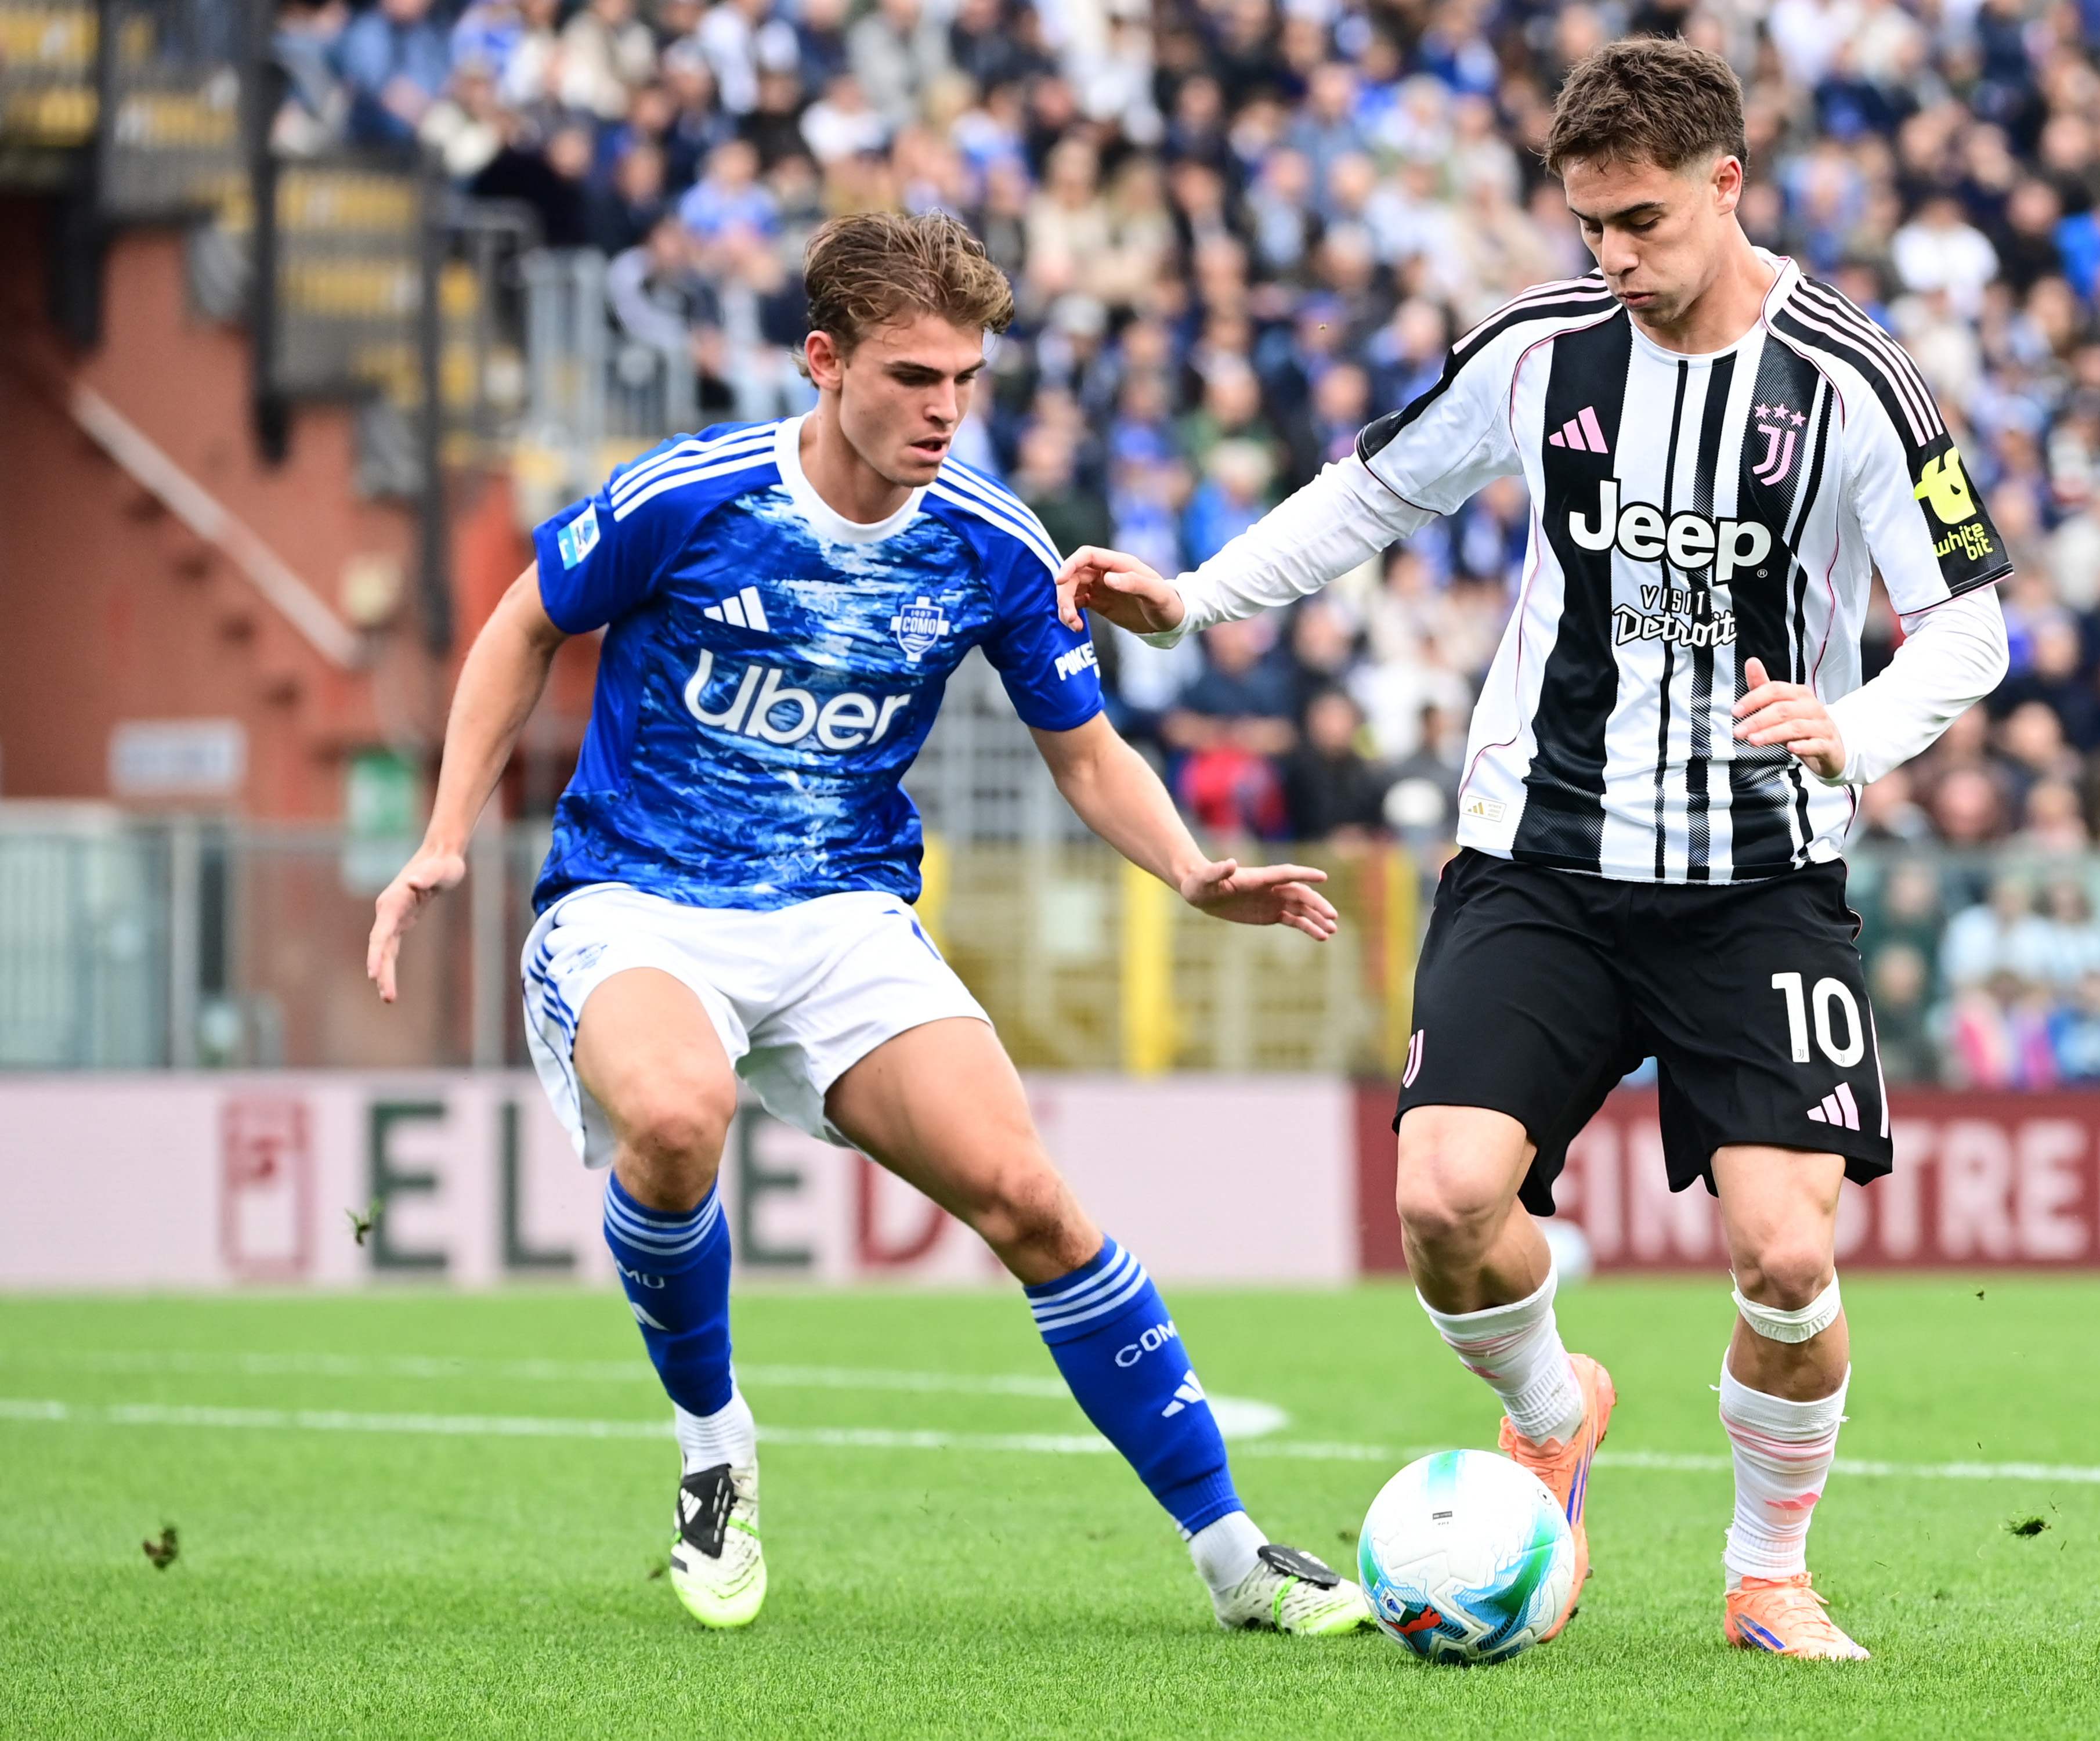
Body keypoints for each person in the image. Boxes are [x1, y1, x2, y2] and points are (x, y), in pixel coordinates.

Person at [1056, 39, 2011, 1660]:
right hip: (1539, 859)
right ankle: (1552, 1415)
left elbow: (1969, 626)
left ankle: (1765, 1573)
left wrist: (1854, 724)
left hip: (1757, 884)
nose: (1611, 256)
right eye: (1587, 226)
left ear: (1724, 183)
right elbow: (1369, 493)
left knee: (1787, 1255)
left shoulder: (1853, 381)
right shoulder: (1537, 349)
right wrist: (1198, 596)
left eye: (1640, 221)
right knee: (1442, 1201)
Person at [362, 212, 1370, 1639]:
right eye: (912, 376)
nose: (944, 410)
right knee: (677, 1115)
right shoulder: (693, 493)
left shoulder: (990, 541)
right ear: (824, 362)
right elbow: (526, 622)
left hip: (842, 917)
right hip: (639, 899)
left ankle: (1234, 1555)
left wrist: (1193, 872)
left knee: (1033, 1201)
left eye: (965, 379)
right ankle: (714, 1446)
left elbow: (1085, 752)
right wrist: (445, 834)